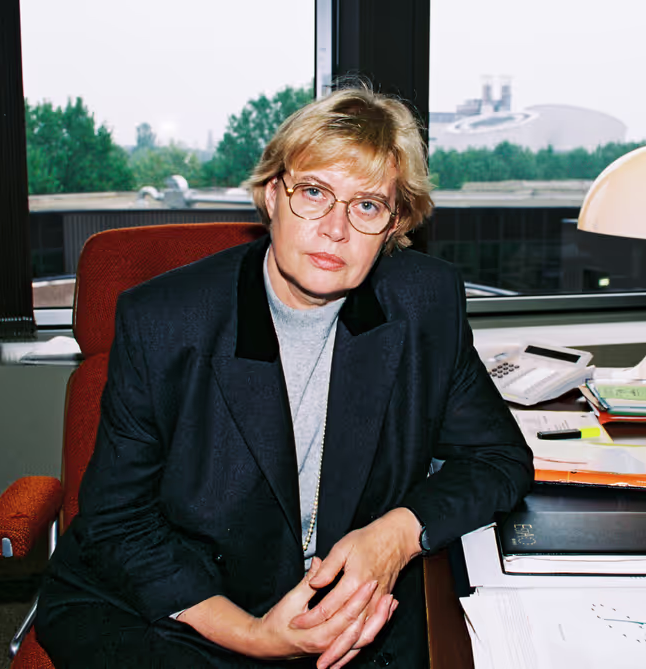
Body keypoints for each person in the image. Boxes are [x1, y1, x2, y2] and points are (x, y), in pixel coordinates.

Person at [35, 84, 533, 668]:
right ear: (272, 195)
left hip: (349, 606)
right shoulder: (165, 320)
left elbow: (498, 459)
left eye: (367, 205)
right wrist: (254, 636)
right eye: (315, 193)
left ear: (396, 225)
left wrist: (394, 536)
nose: (336, 229)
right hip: (183, 607)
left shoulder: (424, 303)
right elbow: (117, 523)